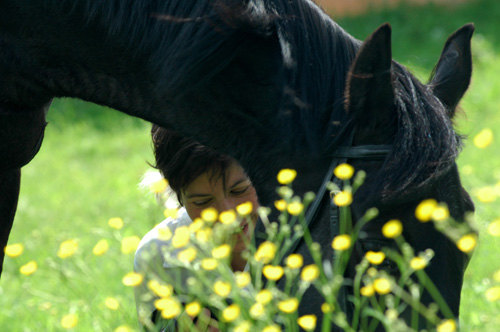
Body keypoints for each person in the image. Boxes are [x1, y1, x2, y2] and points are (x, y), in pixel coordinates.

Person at [134, 125, 260, 330]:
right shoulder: (157, 255)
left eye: (239, 190)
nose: (227, 216)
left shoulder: (308, 234)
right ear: (179, 197)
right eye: (202, 202)